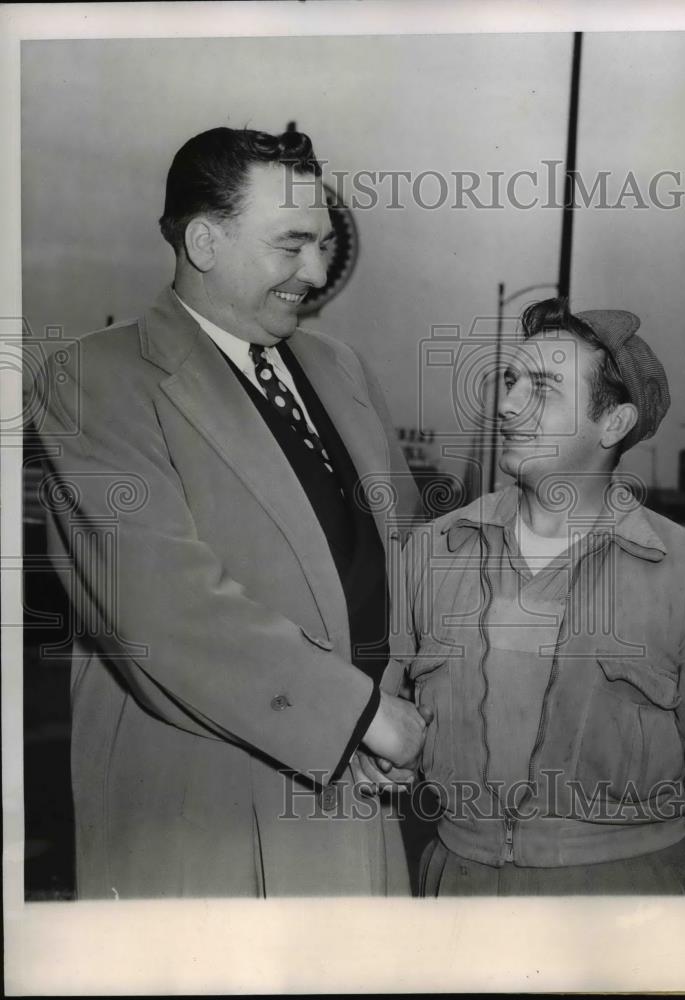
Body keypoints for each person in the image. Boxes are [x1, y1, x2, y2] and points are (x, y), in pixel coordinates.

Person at [32, 126, 428, 897]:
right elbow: (161, 608)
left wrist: (404, 698)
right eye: (292, 245)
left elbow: (406, 550)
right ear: (205, 242)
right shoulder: (93, 381)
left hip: (363, 803)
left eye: (322, 244)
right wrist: (362, 717)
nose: (315, 272)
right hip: (205, 823)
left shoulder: (342, 368)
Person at [389, 296, 685, 895]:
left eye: (542, 387)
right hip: (457, 898)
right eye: (509, 381)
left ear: (613, 424)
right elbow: (381, 716)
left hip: (627, 911)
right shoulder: (434, 551)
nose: (506, 404)